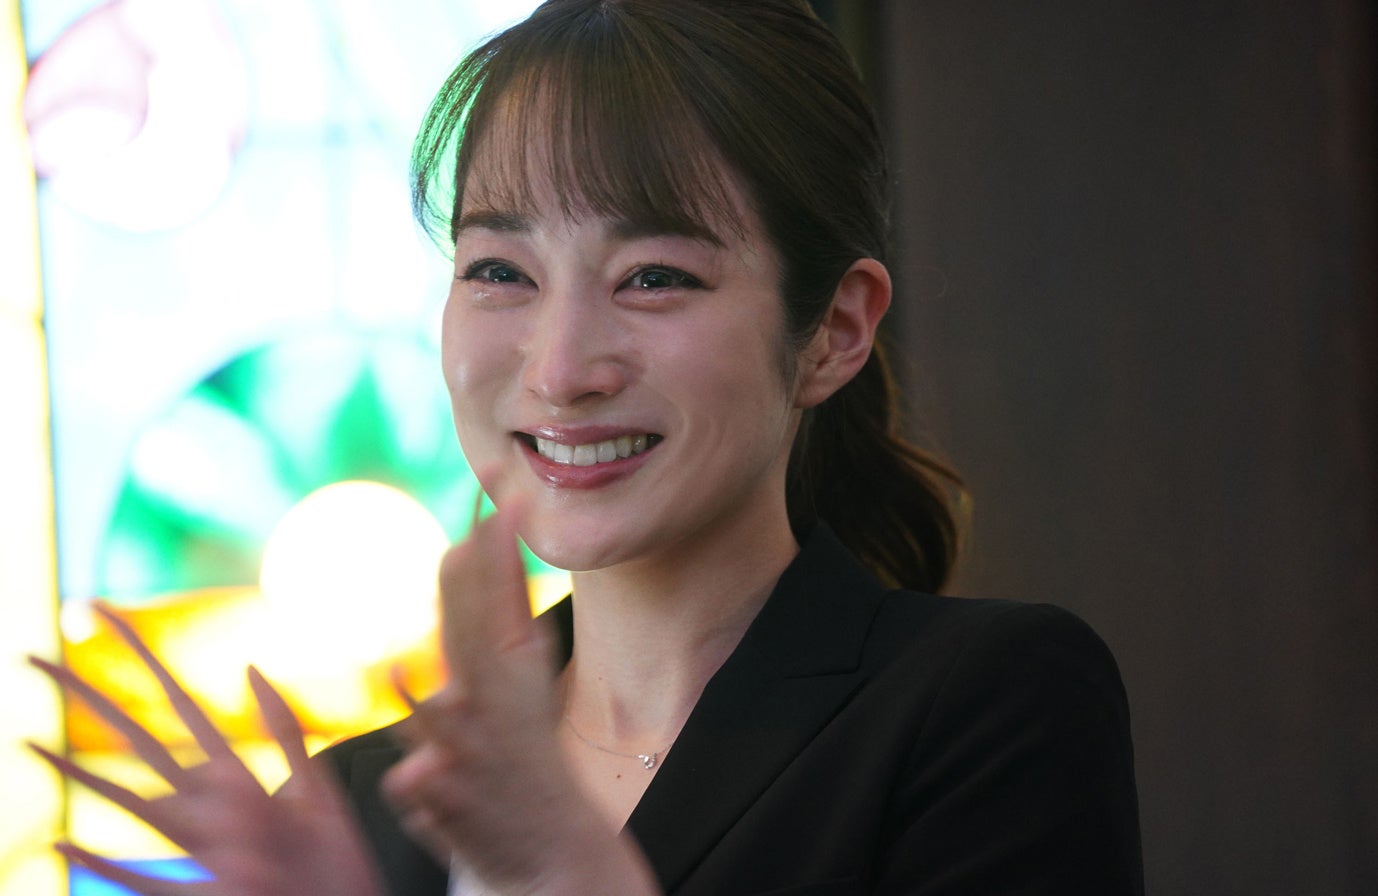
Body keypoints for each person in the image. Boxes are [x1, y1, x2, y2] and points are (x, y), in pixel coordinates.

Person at [30, 1, 1144, 894]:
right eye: (499, 271)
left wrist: (569, 873)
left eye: (653, 276)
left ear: (834, 332)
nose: (562, 368)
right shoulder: (363, 807)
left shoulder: (985, 704)